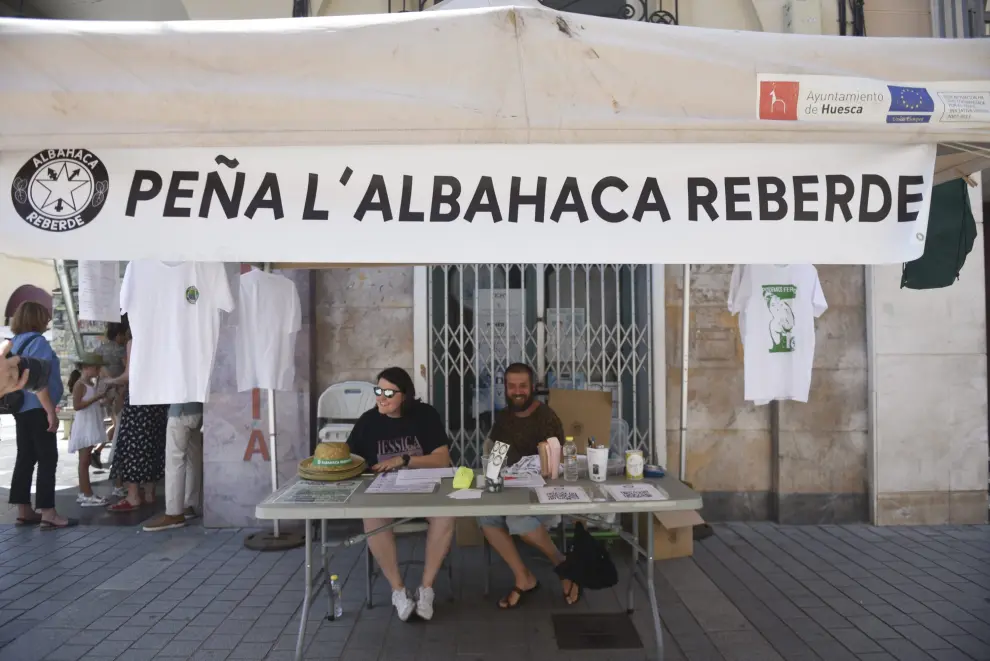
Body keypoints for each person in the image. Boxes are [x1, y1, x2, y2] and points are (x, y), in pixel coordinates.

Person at [345, 367, 454, 622]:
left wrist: (404, 460)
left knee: (446, 514)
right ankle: (398, 590)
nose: (381, 398)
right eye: (378, 391)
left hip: (424, 487)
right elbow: (351, 458)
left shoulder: (425, 415)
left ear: (404, 395)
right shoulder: (368, 421)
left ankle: (426, 588)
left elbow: (442, 458)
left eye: (388, 393)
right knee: (371, 517)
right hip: (385, 492)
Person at [478, 362, 581, 609]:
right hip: (511, 489)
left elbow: (554, 463)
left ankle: (562, 565)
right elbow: (495, 456)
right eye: (511, 386)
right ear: (505, 388)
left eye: (522, 386)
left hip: (542, 492)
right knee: (485, 518)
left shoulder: (545, 416)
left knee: (517, 520)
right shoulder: (504, 418)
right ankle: (523, 577)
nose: (517, 391)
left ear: (532, 387)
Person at [7, 301, 73, 529]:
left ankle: (24, 510)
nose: (49, 320)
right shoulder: (38, 343)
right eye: (45, 316)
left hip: (19, 409)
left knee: (25, 457)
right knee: (47, 458)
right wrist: (50, 412)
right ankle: (48, 512)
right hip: (37, 407)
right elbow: (39, 381)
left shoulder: (13, 343)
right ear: (36, 318)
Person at [104, 333, 168, 512]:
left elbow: (129, 375)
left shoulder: (136, 341)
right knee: (154, 442)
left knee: (134, 444)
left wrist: (111, 380)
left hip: (139, 401)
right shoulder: (163, 338)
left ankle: (133, 495)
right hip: (159, 400)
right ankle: (149, 492)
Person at [142, 402, 203, 532]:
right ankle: (190, 504)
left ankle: (174, 513)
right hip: (198, 409)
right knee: (193, 460)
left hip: (179, 410)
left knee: (174, 462)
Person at [67, 355, 110, 507]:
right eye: (96, 367)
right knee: (84, 461)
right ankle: (87, 494)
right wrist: (96, 398)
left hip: (89, 424)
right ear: (86, 368)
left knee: (84, 461)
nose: (98, 370)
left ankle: (85, 492)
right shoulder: (80, 384)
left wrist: (100, 400)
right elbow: (77, 405)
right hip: (84, 426)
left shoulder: (89, 383)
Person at [92, 320, 129, 469]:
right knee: (120, 423)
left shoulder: (99, 350)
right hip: (119, 390)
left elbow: (96, 368)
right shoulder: (121, 350)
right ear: (119, 334)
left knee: (115, 423)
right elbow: (128, 369)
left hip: (103, 390)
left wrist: (106, 378)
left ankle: (98, 450)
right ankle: (113, 456)